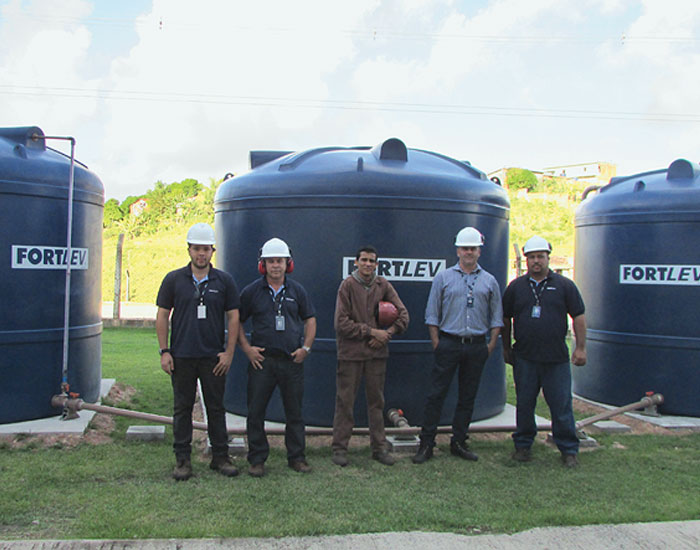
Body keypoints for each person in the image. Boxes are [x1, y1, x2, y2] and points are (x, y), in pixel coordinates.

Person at [156, 222, 240, 481]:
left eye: (205, 249)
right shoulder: (173, 279)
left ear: (213, 251)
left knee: (216, 408)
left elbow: (234, 318)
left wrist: (228, 353)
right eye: (196, 249)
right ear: (189, 250)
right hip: (181, 356)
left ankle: (220, 457)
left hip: (213, 357)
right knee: (182, 408)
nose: (201, 254)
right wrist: (164, 351)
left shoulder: (224, 281)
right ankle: (183, 460)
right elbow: (162, 316)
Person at [413, 227, 503, 464]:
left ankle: (459, 441)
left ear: (479, 251)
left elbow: (496, 317)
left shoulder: (489, 281)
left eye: (473, 249)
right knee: (436, 395)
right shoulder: (443, 277)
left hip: (476, 345)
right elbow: (432, 313)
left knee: (467, 396)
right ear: (458, 250)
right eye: (465, 248)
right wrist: (437, 342)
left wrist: (490, 345)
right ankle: (426, 443)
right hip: (449, 343)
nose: (469, 253)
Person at [501, 235, 586, 468]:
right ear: (526, 260)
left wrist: (580, 348)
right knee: (525, 404)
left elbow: (578, 315)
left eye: (540, 257)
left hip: (556, 358)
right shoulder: (516, 287)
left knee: (561, 405)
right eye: (532, 257)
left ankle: (568, 449)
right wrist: (506, 347)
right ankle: (523, 446)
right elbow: (505, 319)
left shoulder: (564, 285)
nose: (536, 261)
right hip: (525, 357)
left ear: (548, 258)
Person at [237, 238, 316, 477]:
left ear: (287, 264)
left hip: (291, 361)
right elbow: (236, 320)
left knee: (295, 413)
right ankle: (257, 459)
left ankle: (297, 458)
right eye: (270, 261)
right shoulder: (251, 292)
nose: (275, 266)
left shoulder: (297, 291)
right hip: (262, 361)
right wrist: (247, 349)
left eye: (279, 261)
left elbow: (310, 320)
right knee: (256, 411)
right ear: (263, 265)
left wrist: (307, 348)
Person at [332, 245, 409, 467]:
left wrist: (386, 334)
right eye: (363, 260)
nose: (367, 264)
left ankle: (379, 448)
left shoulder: (383, 285)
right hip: (351, 355)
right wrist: (370, 331)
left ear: (377, 264)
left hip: (376, 354)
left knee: (376, 403)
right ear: (355, 262)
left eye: (371, 261)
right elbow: (340, 323)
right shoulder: (347, 286)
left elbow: (403, 316)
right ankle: (339, 448)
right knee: (345, 402)